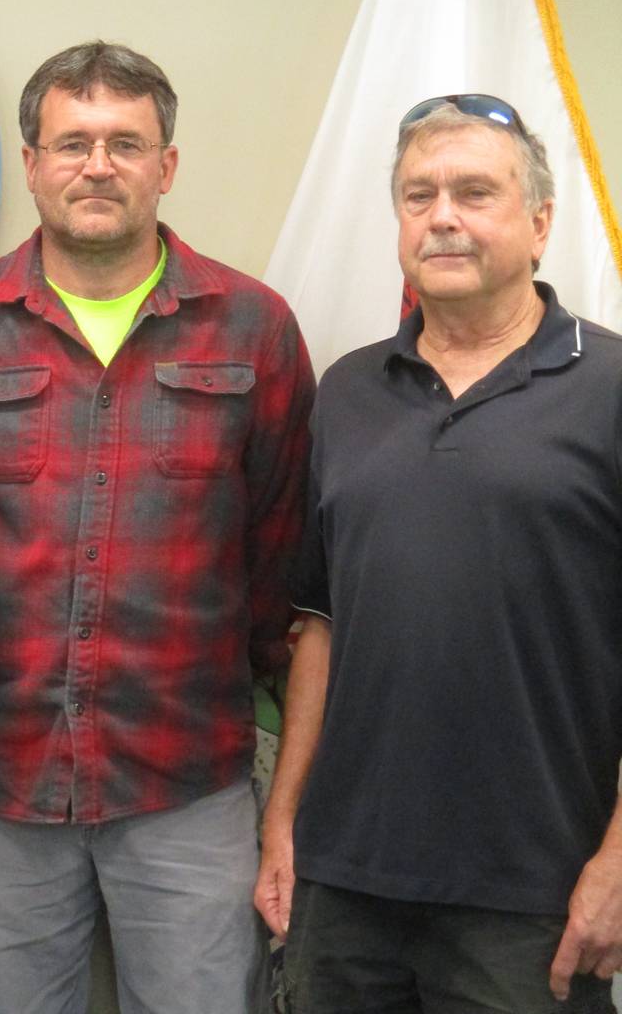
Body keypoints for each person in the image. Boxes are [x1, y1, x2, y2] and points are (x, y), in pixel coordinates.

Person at [0, 41, 315, 1014]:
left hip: (189, 781)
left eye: (126, 143)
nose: (97, 165)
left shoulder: (254, 328)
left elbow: (280, 556)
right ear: (33, 162)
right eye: (72, 142)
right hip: (2, 780)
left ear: (167, 167)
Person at [256, 94, 622, 1012]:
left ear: (539, 223)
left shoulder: (613, 388)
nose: (443, 217)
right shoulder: (347, 392)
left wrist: (619, 861)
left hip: (533, 893)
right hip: (345, 885)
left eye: (474, 192)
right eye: (419, 197)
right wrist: (285, 822)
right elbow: (322, 626)